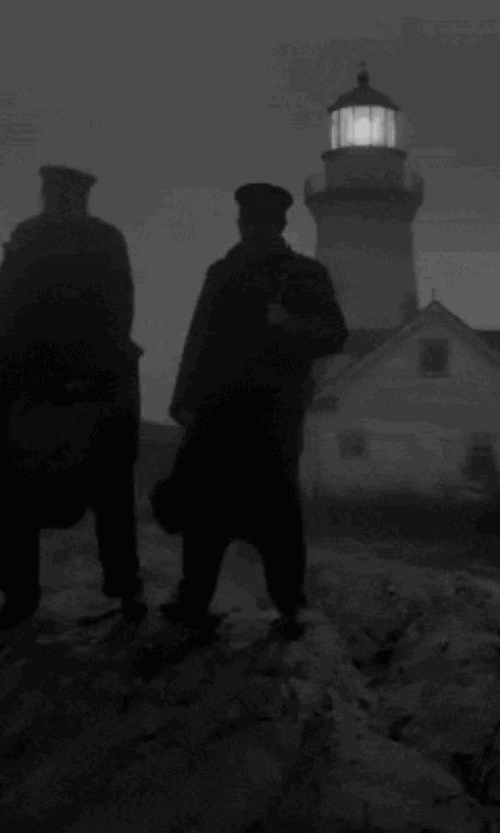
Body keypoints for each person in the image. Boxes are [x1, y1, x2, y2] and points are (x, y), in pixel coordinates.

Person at [159, 182, 348, 638]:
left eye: (262, 222)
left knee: (277, 503)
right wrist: (185, 401)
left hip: (274, 407)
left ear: (279, 225)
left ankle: (290, 603)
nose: (254, 229)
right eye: (249, 221)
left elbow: (334, 334)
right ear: (242, 223)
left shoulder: (305, 274)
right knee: (206, 506)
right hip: (218, 407)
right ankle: (194, 598)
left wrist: (289, 326)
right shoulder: (222, 271)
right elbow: (199, 336)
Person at [0, 164, 145, 630]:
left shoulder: (90, 240)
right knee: (26, 495)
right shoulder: (48, 237)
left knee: (106, 489)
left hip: (81, 385)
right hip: (44, 384)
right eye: (51, 192)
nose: (51, 199)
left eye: (55, 192)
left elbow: (116, 307)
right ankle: (26, 596)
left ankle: (120, 587)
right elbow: (0, 304)